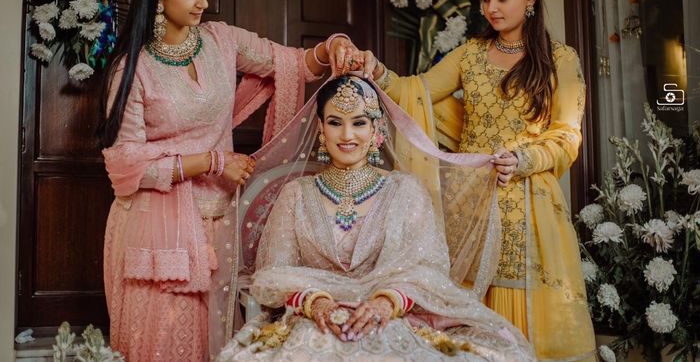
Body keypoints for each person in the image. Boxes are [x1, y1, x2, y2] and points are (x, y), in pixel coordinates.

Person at [97, 0, 369, 362]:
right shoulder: (133, 68)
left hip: (218, 222)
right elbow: (125, 165)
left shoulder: (220, 41)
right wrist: (213, 162)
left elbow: (293, 63)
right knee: (161, 343)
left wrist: (331, 46)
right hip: (155, 230)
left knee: (216, 341)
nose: (204, 2)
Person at [352, 0, 596, 361]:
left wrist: (523, 161)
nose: (492, 8)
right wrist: (376, 71)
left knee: (531, 324)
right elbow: (418, 92)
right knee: (468, 320)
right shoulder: (471, 54)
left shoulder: (561, 59)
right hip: (471, 204)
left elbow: (567, 136)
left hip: (530, 209)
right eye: (486, 0)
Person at [216, 76, 536, 362]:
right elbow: (273, 275)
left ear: (376, 128)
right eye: (335, 122)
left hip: (393, 319)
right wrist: (315, 303)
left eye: (359, 122)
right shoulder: (296, 194)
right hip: (315, 321)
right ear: (320, 128)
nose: (347, 135)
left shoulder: (406, 191)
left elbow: (427, 270)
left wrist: (386, 302)